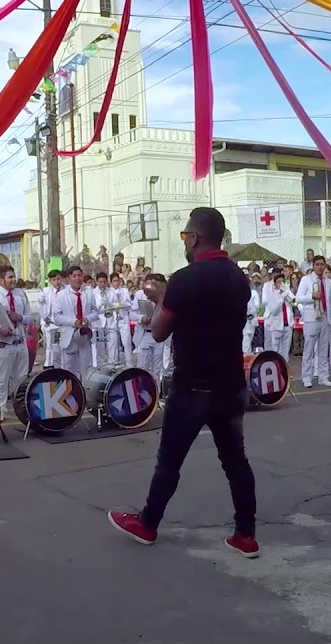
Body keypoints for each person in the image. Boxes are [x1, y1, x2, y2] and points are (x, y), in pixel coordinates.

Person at [107, 207, 258, 557]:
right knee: (236, 460)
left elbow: (159, 331)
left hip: (193, 386)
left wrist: (162, 297)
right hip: (231, 383)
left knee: (170, 460)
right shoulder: (238, 278)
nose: (185, 243)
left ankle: (148, 523)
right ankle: (246, 535)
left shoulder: (184, 279)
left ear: (197, 238)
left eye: (185, 236)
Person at [0, 265, 31, 405]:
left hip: (20, 343)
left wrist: (20, 317)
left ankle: (21, 408)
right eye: (10, 277)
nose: (13, 279)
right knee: (2, 381)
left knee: (21, 380)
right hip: (3, 344)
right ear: (1, 280)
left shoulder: (20, 294)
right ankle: (0, 411)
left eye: (14, 276)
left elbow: (30, 317)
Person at [294, 255, 331, 388]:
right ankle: (307, 377)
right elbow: (298, 298)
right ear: (313, 266)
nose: (320, 267)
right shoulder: (306, 280)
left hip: (325, 317)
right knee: (309, 348)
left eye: (322, 264)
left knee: (323, 348)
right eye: (317, 264)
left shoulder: (328, 282)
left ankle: (323, 376)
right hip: (312, 318)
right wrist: (311, 296)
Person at [53, 266, 96, 376]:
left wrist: (88, 319)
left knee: (87, 367)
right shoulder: (61, 295)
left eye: (79, 276)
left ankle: (86, 390)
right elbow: (57, 316)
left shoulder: (89, 293)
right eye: (74, 276)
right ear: (68, 279)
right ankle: (72, 391)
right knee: (69, 368)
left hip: (84, 334)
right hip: (69, 334)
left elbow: (95, 312)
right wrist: (73, 322)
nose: (77, 278)